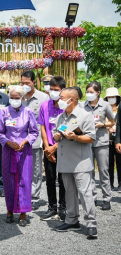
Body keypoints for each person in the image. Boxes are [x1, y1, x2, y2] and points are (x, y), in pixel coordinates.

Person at [53, 88, 97, 240]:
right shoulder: (60, 117)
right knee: (69, 192)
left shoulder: (85, 116)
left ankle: (91, 223)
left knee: (85, 193)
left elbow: (91, 138)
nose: (59, 100)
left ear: (71, 100)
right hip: (65, 161)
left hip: (80, 162)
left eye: (62, 97)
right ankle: (72, 220)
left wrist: (76, 137)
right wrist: (57, 136)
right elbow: (55, 133)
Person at [0, 85, 38, 227]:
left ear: (22, 98)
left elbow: (34, 132)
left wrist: (25, 141)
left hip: (24, 151)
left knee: (24, 180)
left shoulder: (28, 112)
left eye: (17, 98)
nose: (14, 100)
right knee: (8, 180)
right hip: (8, 150)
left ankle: (23, 213)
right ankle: (9, 210)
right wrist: (8, 142)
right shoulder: (3, 112)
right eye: (12, 97)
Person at [38, 76, 66, 221]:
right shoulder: (44, 105)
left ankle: (63, 208)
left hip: (62, 148)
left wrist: (55, 147)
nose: (53, 92)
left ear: (62, 91)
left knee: (63, 180)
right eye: (51, 89)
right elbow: (42, 126)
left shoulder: (66, 106)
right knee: (49, 179)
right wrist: (47, 147)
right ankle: (52, 207)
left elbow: (67, 129)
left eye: (57, 90)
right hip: (48, 147)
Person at [82, 81, 114, 210]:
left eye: (91, 92)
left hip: (101, 142)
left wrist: (103, 124)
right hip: (87, 142)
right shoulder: (82, 105)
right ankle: (93, 198)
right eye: (87, 92)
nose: (89, 94)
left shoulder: (105, 105)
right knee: (89, 172)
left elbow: (112, 122)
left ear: (98, 92)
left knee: (104, 171)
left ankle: (106, 199)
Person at [20, 71, 49, 210]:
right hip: (19, 140)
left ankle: (35, 196)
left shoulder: (43, 97)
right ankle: (24, 194)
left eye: (27, 83)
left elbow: (45, 121)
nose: (25, 85)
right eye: (22, 83)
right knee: (21, 169)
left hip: (35, 140)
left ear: (33, 82)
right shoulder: (18, 96)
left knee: (36, 169)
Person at [104, 87, 121, 192]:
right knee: (108, 163)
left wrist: (116, 127)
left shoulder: (120, 108)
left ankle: (120, 183)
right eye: (109, 97)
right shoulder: (104, 108)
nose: (111, 99)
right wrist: (108, 127)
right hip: (107, 139)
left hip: (118, 140)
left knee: (120, 162)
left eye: (113, 97)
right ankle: (110, 183)